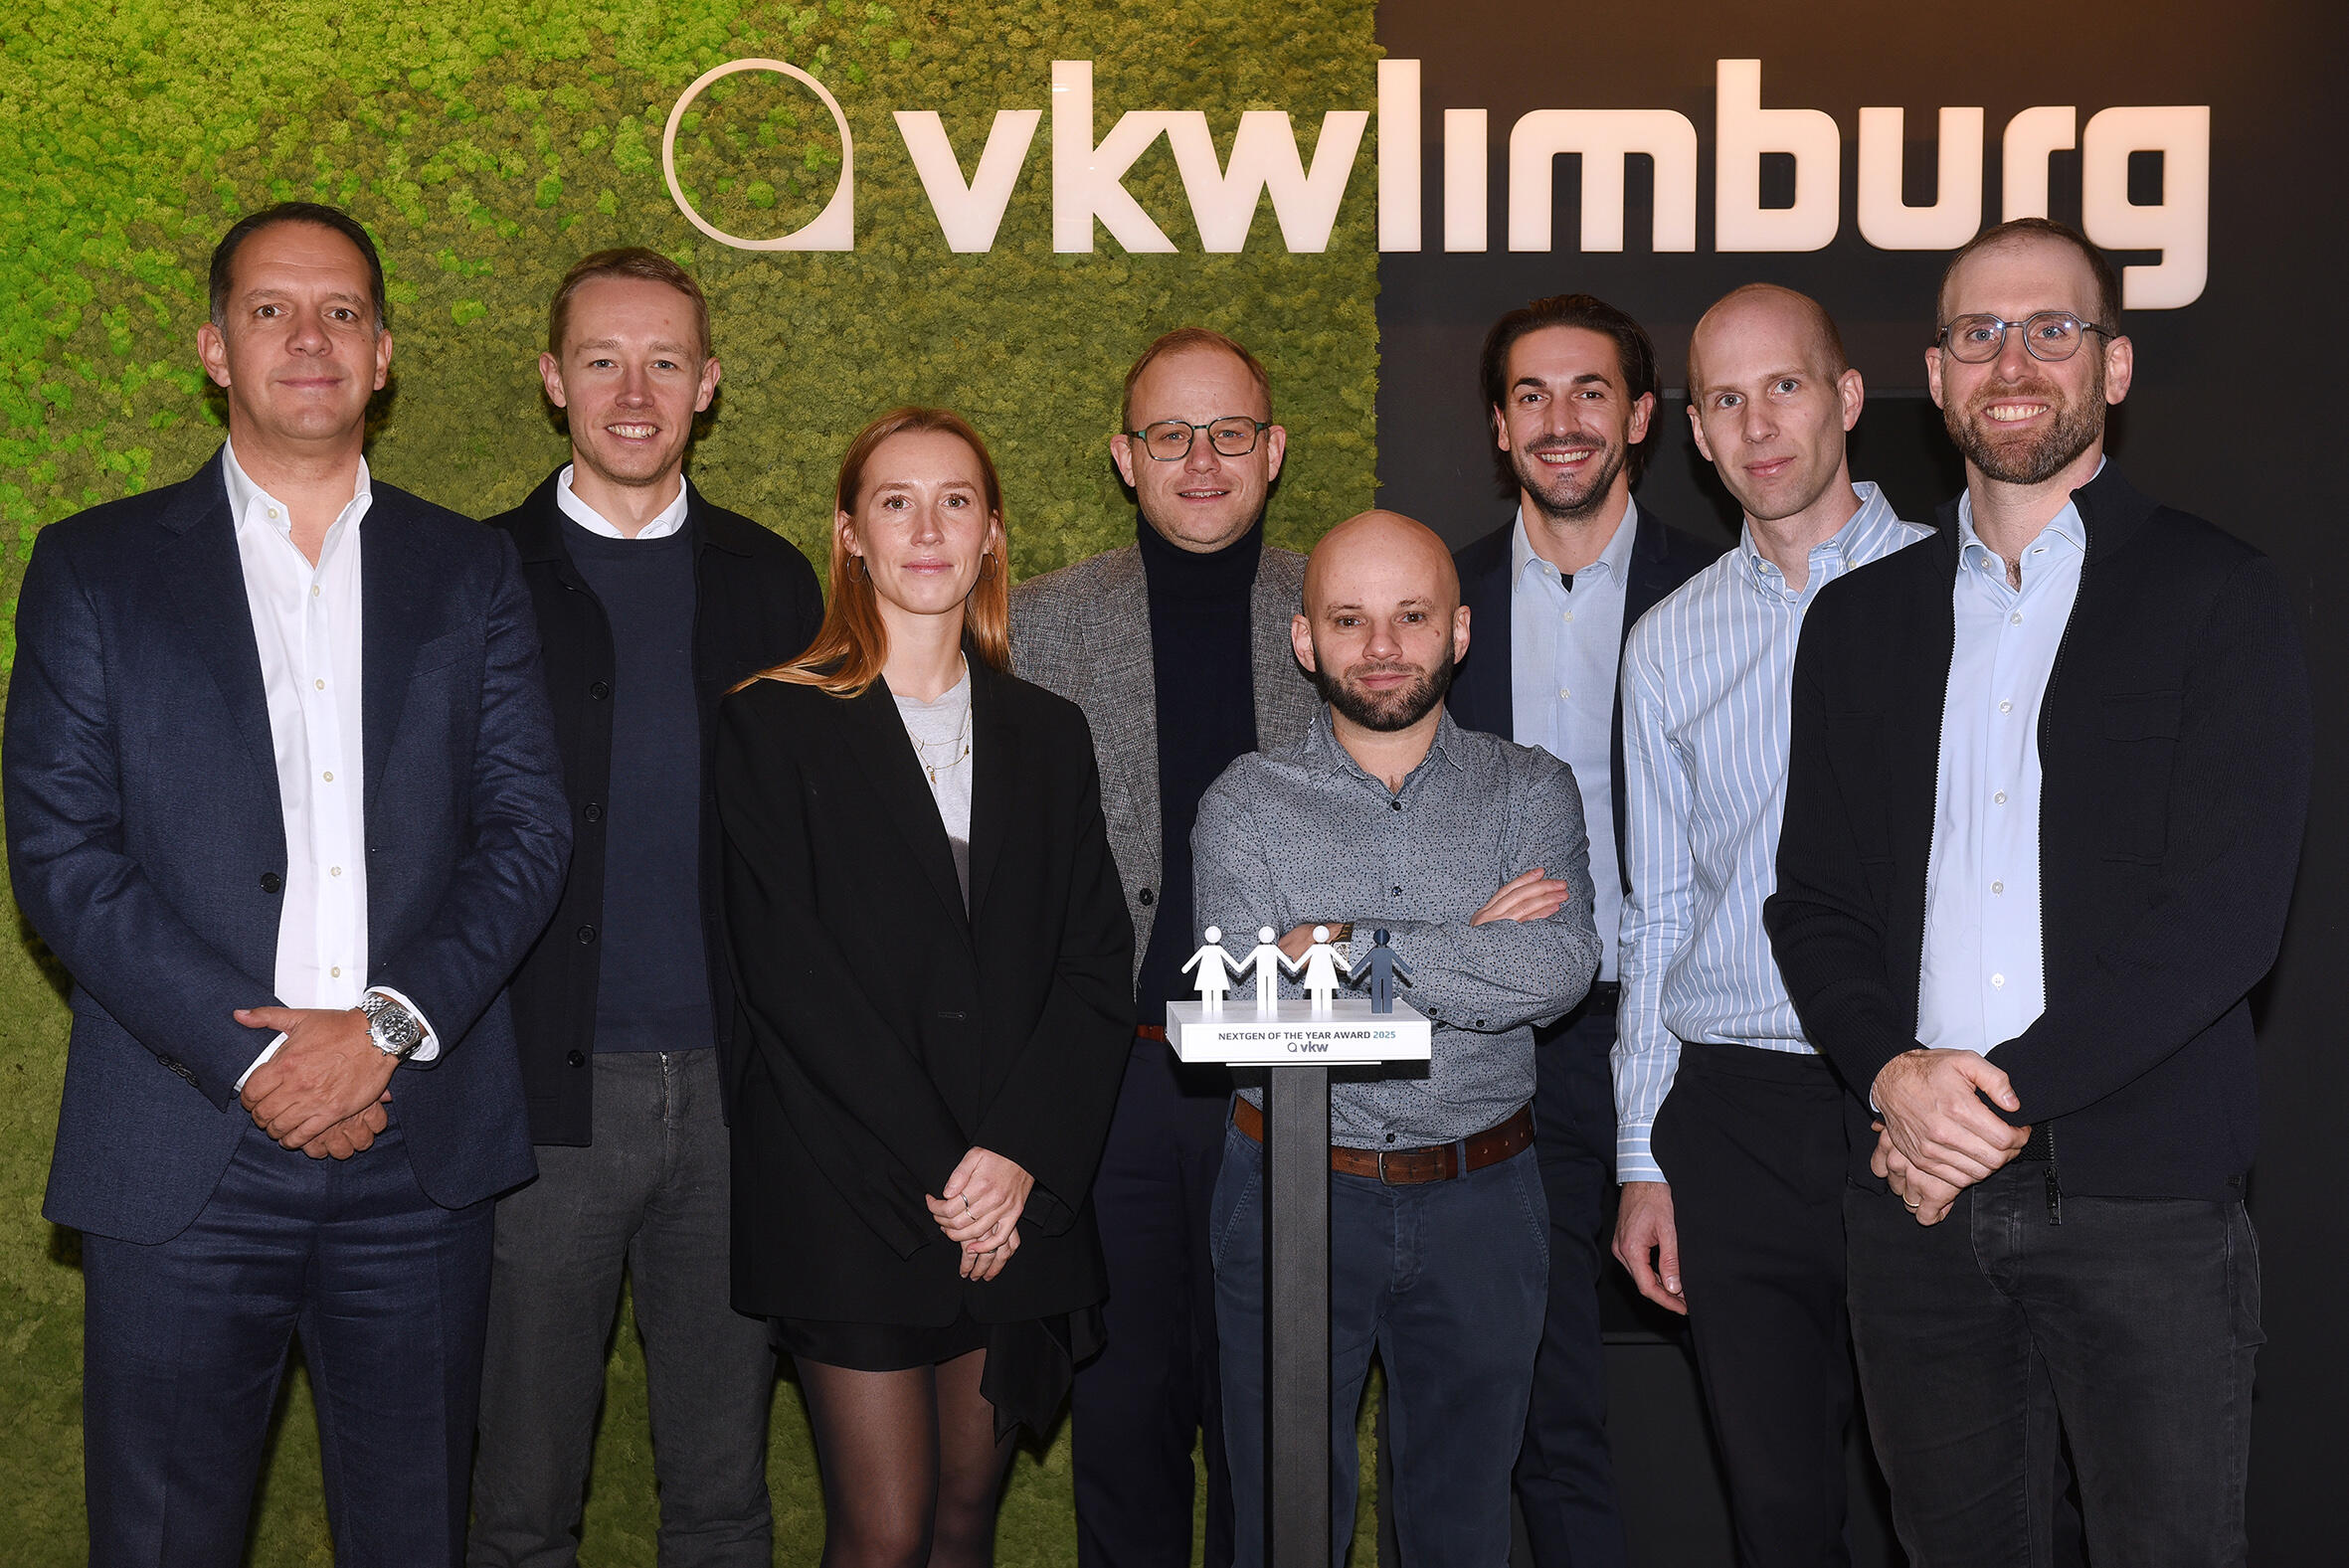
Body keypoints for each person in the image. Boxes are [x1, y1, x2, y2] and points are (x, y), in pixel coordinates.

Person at [2, 202, 571, 1565]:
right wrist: (263, 1060)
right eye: (271, 310)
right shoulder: (93, 565)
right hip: (181, 1152)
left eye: (341, 312)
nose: (309, 338)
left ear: (382, 355)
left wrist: (379, 1030)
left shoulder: (472, 569)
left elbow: (525, 829)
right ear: (216, 348)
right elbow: (64, 855)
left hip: (416, 1153)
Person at [1766, 219, 2311, 1566]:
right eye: (1978, 334)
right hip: (1914, 1207)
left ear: (2111, 367)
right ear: (1935, 377)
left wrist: (1982, 1102)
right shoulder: (1857, 622)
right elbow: (1813, 903)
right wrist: (1894, 1077)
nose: (2011, 362)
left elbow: (2227, 916)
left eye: (2050, 330)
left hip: (2143, 1210)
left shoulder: (2216, 593)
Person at [715, 407, 1136, 1567]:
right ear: (850, 533)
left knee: (961, 1520)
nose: (928, 529)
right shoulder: (771, 721)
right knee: (885, 1530)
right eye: (895, 502)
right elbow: (789, 980)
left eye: (955, 501)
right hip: (852, 1190)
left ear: (992, 531)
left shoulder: (1048, 733)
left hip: (1015, 1192)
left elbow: (1093, 965)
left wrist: (1016, 1158)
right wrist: (949, 1171)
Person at [468, 250, 823, 1567]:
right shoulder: (471, 573)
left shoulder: (775, 583)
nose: (633, 392)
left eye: (664, 361)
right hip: (535, 1104)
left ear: (707, 384)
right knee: (518, 1500)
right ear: (552, 379)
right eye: (602, 360)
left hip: (737, 1103)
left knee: (723, 1496)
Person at [1195, 509, 1601, 1568]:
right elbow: (1250, 1008)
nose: (1381, 646)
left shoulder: (1530, 787)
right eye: (1349, 619)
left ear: (1458, 631)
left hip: (1483, 1198)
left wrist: (1343, 942)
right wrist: (1470, 944)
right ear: (1305, 640)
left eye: (1411, 616)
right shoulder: (1245, 803)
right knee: (1283, 1530)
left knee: (1461, 1528)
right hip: (1287, 1192)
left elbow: (1558, 969)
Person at [1609, 285, 1929, 1566]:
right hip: (1734, 1115)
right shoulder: (1667, 643)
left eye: (1783, 386)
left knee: (1961, 1503)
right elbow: (1656, 912)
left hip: (1922, 1101)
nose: (1756, 425)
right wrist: (1642, 1154)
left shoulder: (1969, 588)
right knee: (1780, 1517)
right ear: (1693, 432)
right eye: (1724, 400)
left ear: (1845, 397)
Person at [1009, 327, 1318, 1568]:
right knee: (1123, 1420)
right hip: (1113, 1083)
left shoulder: (1342, 604)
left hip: (1295, 1076)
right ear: (1124, 456)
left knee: (1273, 1427)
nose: (1200, 460)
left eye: (1228, 432)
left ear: (1272, 449)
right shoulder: (1036, 623)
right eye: (1169, 434)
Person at [1444, 293, 1722, 1568]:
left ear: (1642, 415)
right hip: (1516, 1048)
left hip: (1701, 1038)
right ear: (1499, 426)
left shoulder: (1723, 591)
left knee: (1766, 1388)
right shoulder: (1433, 604)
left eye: (1590, 391)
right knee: (1545, 1402)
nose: (1561, 421)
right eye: (1532, 395)